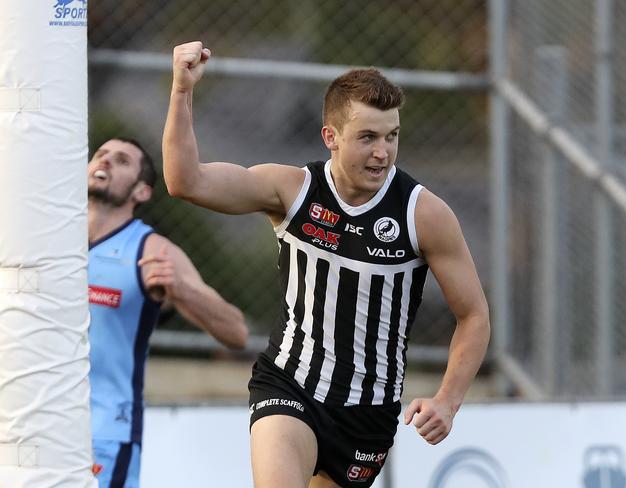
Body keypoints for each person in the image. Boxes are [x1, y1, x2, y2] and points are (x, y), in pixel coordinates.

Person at [162, 41, 490, 488]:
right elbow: (186, 181)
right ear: (330, 137)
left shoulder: (423, 213)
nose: (383, 152)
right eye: (368, 137)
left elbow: (473, 315)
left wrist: (448, 401)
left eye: (392, 136)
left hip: (367, 414)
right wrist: (182, 91)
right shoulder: (292, 190)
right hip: (289, 383)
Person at [87, 136, 249, 488]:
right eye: (100, 155)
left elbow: (237, 332)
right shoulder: (45, 238)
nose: (106, 162)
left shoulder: (150, 250)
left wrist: (181, 288)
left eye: (121, 160)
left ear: (141, 192)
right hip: (32, 417)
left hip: (102, 432)